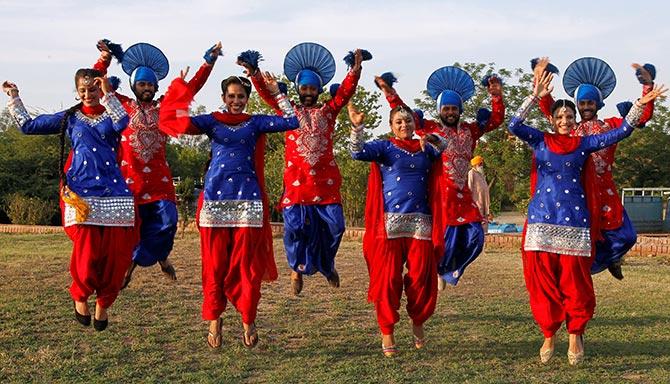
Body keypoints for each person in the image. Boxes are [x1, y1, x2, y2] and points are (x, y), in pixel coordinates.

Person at [509, 71, 666, 365]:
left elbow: (621, 132)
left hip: (575, 220)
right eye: (561, 116)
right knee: (542, 283)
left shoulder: (584, 142)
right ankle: (548, 334)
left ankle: (575, 335)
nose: (567, 120)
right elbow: (514, 124)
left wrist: (640, 102)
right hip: (541, 221)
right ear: (553, 120)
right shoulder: (540, 140)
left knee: (575, 282)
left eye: (570, 116)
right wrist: (534, 95)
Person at [159, 56, 299, 348]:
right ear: (223, 97)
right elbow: (174, 122)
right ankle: (214, 318)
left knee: (246, 265)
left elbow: (293, 120)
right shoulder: (211, 121)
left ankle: (248, 318)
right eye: (231, 96)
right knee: (214, 265)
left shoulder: (256, 123)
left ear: (247, 99)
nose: (236, 101)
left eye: (241, 96)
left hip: (248, 202)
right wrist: (181, 89)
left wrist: (277, 93)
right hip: (214, 201)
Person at [3, 70, 135, 332]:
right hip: (81, 193)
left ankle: (104, 303)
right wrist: (14, 97)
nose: (88, 94)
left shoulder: (112, 114)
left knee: (115, 255)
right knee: (87, 253)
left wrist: (108, 93)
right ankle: (80, 294)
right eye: (83, 90)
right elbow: (28, 126)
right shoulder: (71, 118)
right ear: (77, 91)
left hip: (114, 192)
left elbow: (123, 123)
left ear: (101, 89)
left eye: (93, 89)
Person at [237, 45, 368, 295]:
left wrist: (356, 69)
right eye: (304, 88)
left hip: (325, 185)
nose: (308, 92)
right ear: (298, 89)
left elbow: (344, 94)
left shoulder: (328, 112)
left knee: (336, 228)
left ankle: (327, 265)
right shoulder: (289, 112)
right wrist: (254, 72)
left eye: (312, 88)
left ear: (319, 90)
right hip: (296, 186)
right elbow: (268, 94)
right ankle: (296, 268)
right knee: (295, 229)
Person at [93, 40, 221, 288]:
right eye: (142, 84)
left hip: (160, 181)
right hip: (131, 181)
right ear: (133, 85)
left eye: (151, 84)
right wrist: (105, 58)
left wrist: (209, 62)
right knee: (133, 230)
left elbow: (191, 88)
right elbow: (96, 83)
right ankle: (132, 267)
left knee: (168, 222)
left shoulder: (164, 107)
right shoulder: (121, 105)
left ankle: (160, 255)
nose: (147, 88)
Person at [375, 67, 505, 289]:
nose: (451, 112)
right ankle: (440, 268)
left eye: (454, 108)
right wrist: (389, 91)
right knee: (443, 239)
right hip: (440, 194)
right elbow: (405, 112)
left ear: (460, 110)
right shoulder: (430, 128)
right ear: (439, 110)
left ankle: (448, 270)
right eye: (446, 108)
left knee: (476, 238)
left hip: (463, 194)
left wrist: (495, 95)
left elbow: (495, 120)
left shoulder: (470, 130)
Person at [534, 57, 657, 280]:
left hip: (605, 190)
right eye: (582, 103)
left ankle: (612, 258)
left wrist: (646, 85)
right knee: (584, 237)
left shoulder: (610, 125)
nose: (586, 107)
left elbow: (639, 117)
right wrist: (539, 78)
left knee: (627, 236)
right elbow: (550, 108)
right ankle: (578, 274)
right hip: (578, 192)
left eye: (591, 103)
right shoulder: (570, 128)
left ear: (598, 104)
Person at [348, 102, 445, 357]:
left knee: (421, 278)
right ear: (391, 126)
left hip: (420, 224)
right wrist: (357, 127)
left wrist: (434, 138)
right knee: (387, 280)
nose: (404, 125)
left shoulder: (425, 148)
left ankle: (418, 322)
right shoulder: (385, 147)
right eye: (399, 122)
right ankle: (387, 331)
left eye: (409, 121)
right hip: (390, 226)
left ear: (415, 124)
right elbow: (357, 153)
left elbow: (446, 149)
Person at [468, 155, 493, 233]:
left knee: (485, 217)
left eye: (482, 164)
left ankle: (485, 234)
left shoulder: (481, 174)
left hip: (484, 201)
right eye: (480, 164)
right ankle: (478, 235)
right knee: (478, 217)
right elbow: (469, 187)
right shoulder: (471, 172)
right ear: (475, 165)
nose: (481, 166)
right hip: (476, 201)